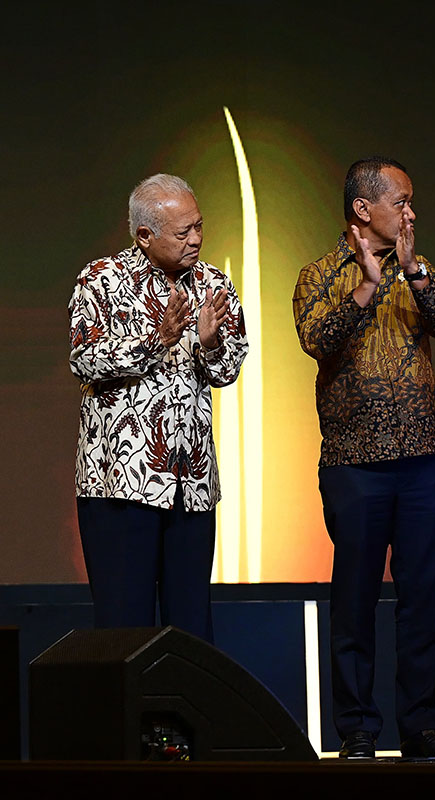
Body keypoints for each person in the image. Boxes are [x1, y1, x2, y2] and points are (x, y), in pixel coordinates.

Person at [293, 158, 435, 760]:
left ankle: (421, 726)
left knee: (424, 601)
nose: (411, 213)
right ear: (363, 210)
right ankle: (357, 728)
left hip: (424, 461)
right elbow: (315, 340)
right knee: (355, 601)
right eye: (402, 201)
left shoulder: (419, 267)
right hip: (354, 464)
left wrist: (414, 273)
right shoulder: (319, 275)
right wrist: (365, 286)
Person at [69, 173, 247, 643]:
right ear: (145, 235)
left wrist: (210, 345)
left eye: (199, 226)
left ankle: (182, 698)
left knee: (190, 632)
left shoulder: (214, 284)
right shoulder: (100, 280)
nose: (196, 239)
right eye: (183, 232)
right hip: (120, 484)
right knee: (123, 628)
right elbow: (83, 360)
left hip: (192, 484)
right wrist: (157, 339)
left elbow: (228, 370)